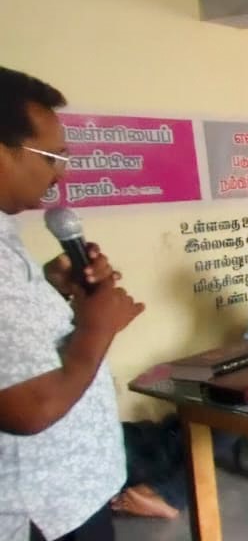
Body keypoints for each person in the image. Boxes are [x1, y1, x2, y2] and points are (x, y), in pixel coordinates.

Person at [0, 66, 145, 541]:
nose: (61, 171)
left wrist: (53, 288)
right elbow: (27, 408)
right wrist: (97, 328)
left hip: (67, 493)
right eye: (51, 156)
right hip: (37, 511)